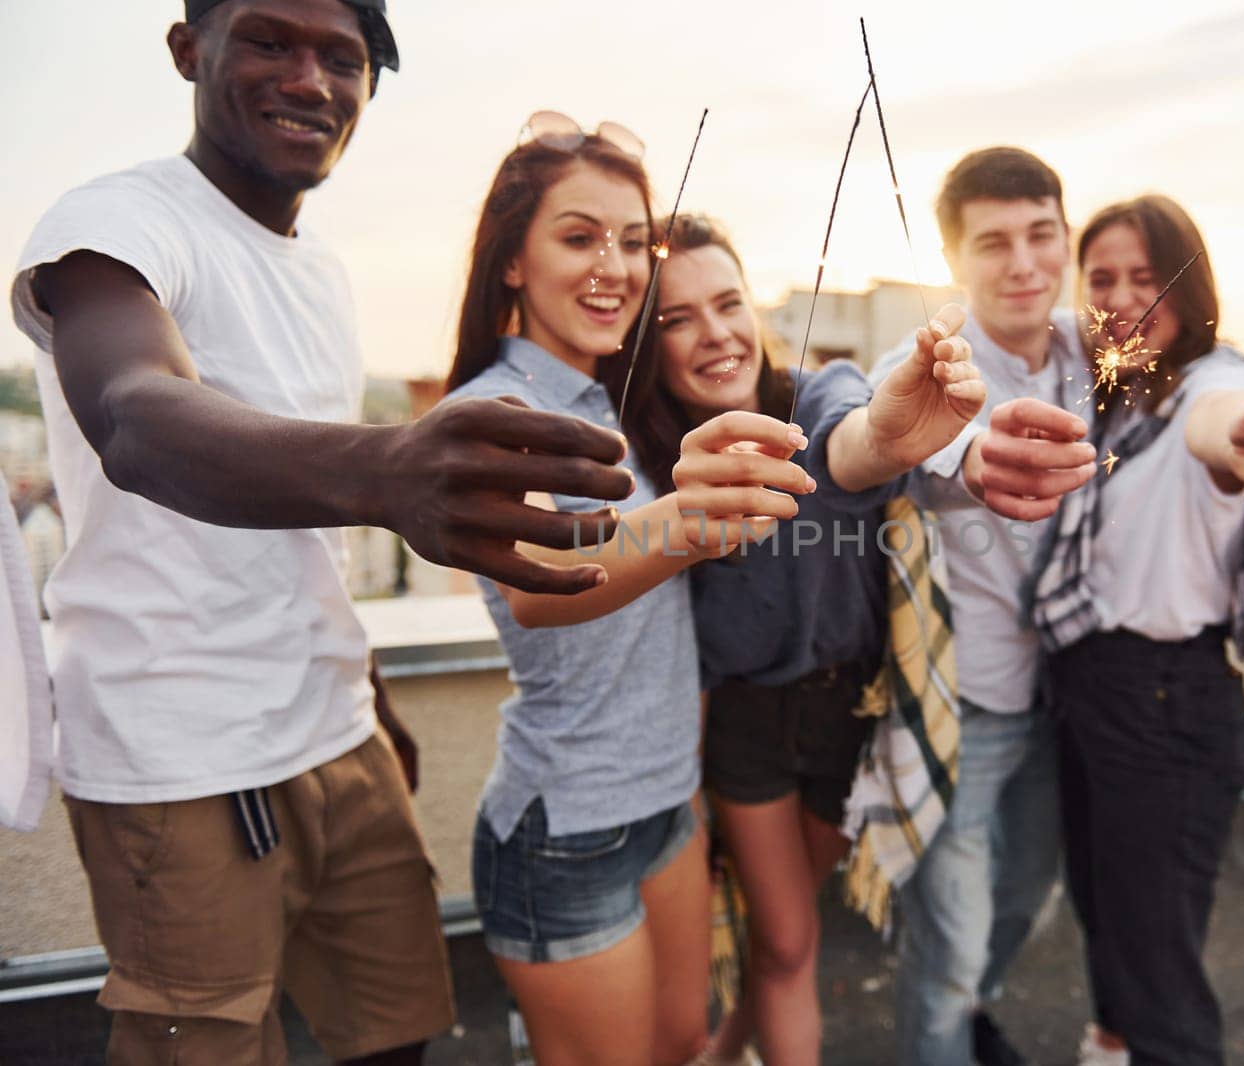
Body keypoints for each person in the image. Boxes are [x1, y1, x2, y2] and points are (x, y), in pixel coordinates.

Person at [9, 4, 638, 1063]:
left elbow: (307, 536)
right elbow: (134, 412)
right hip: (183, 760)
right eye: (269, 40)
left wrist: (370, 693)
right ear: (186, 51)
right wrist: (391, 466)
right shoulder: (116, 224)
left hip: (336, 732)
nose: (310, 79)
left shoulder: (324, 270)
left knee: (397, 1036)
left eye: (341, 58)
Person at [440, 123, 831, 1066]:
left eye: (631, 242)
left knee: (685, 1044)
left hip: (667, 804)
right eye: (579, 238)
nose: (613, 266)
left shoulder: (613, 402)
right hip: (564, 827)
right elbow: (539, 585)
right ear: (510, 263)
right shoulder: (487, 412)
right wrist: (692, 519)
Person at [618, 214, 983, 1066]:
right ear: (649, 344)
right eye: (677, 319)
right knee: (787, 944)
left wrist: (888, 439)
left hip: (846, 712)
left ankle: (731, 1046)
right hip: (741, 723)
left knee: (789, 935)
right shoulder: (656, 461)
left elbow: (854, 444)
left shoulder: (817, 393)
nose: (714, 333)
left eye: (727, 303)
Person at [1023, 195, 1244, 1066]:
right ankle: (1110, 1039)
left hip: (1167, 702)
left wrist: (1243, 441)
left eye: (1148, 276)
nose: (1125, 297)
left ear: (1190, 284)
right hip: (1095, 690)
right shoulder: (1120, 402)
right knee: (1110, 922)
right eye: (1103, 280)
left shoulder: (1214, 385)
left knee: (1161, 980)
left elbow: (1224, 421)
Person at [867, 145, 1095, 1066]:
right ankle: (946, 1027)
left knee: (1027, 899)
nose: (1024, 263)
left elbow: (1207, 364)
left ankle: (966, 1018)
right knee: (952, 942)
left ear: (1067, 238)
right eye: (993, 243)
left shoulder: (1091, 346)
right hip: (965, 712)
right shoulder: (927, 365)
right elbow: (901, 429)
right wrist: (970, 455)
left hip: (1069, 695)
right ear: (954, 261)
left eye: (1042, 236)